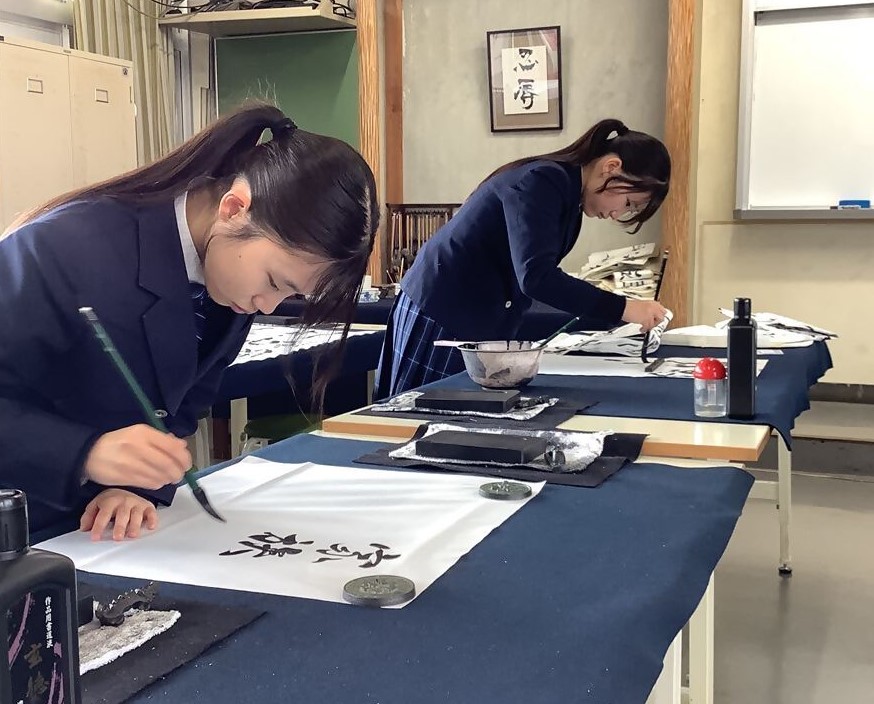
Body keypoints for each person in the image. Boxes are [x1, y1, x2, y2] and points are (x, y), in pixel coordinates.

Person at [0, 103, 379, 540]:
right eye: (275, 281)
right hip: (23, 525)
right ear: (234, 208)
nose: (269, 305)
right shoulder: (67, 246)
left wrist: (135, 485)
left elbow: (183, 402)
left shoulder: (227, 276)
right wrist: (85, 454)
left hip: (102, 530)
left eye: (291, 294)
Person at [375, 118, 671, 399]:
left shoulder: (568, 197)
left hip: (470, 313)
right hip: (441, 306)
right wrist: (623, 307)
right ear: (611, 166)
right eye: (629, 202)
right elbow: (536, 277)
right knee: (414, 418)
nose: (618, 213)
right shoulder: (544, 180)